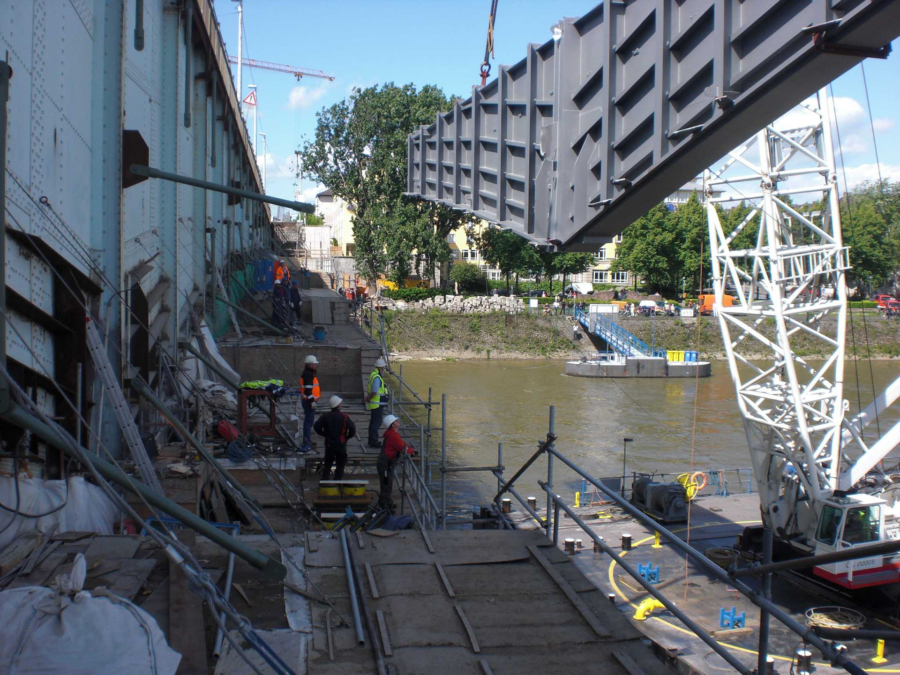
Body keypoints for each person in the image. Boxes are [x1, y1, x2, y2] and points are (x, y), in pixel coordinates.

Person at [376, 414, 415, 511]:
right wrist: (412, 451)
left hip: (385, 464)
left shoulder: (391, 434)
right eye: (396, 421)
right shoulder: (393, 436)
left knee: (386, 484)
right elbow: (403, 448)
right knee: (386, 485)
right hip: (385, 465)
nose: (398, 421)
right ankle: (384, 507)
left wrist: (409, 449)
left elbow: (401, 445)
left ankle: (386, 503)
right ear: (392, 424)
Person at [314, 395, 356, 480]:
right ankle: (337, 481)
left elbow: (316, 426)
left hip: (329, 443)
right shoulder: (344, 416)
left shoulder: (325, 416)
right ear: (339, 405)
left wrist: (323, 434)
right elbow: (352, 428)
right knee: (340, 464)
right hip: (341, 443)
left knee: (327, 464)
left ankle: (325, 482)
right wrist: (347, 437)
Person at [299, 355, 321, 452]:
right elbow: (308, 390)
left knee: (309, 422)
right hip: (309, 401)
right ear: (310, 365)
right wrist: (312, 401)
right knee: (308, 422)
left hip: (308, 401)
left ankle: (307, 441)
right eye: (315, 364)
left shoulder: (309, 373)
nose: (316, 365)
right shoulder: (308, 374)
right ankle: (306, 442)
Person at [366, 357, 389, 447]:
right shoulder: (377, 377)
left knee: (373, 422)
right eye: (383, 368)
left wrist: (368, 398)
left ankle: (371, 440)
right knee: (376, 423)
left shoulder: (374, 374)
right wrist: (369, 398)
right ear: (381, 368)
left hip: (376, 404)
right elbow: (375, 391)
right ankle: (374, 441)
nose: (384, 370)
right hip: (377, 404)